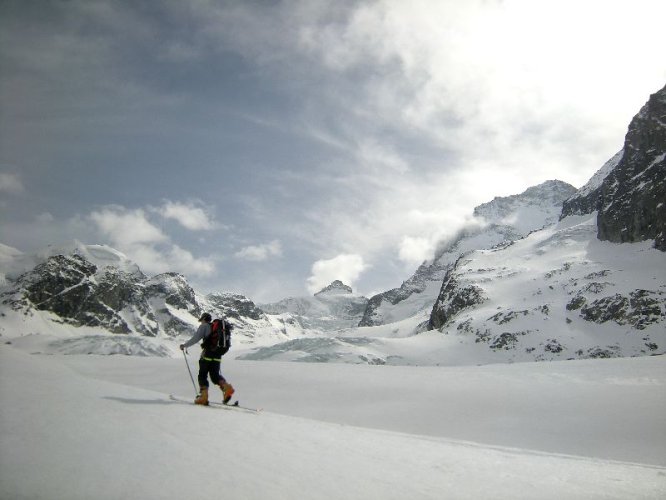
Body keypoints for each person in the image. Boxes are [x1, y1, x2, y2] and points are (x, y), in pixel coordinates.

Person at [180, 312, 235, 405]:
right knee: (215, 375)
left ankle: (203, 397)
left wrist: (185, 345)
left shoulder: (204, 326)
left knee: (202, 374)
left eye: (201, 320)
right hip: (218, 354)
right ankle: (227, 388)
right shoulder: (219, 328)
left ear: (204, 319)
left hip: (208, 353)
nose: (201, 322)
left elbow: (196, 338)